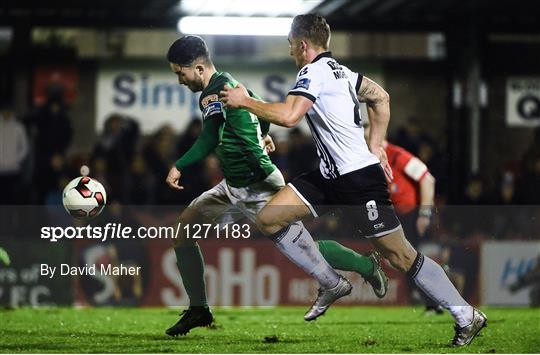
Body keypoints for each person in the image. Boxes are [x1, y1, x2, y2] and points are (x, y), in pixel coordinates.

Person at [220, 14, 487, 346]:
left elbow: (289, 116)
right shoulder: (344, 73)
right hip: (330, 177)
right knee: (269, 219)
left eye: (291, 46)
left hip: (358, 181)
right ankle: (331, 282)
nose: (291, 53)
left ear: (303, 45)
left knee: (400, 256)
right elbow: (381, 97)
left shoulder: (313, 71)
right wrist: (377, 144)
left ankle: (466, 314)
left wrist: (244, 101)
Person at [164, 35, 386, 336]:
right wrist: (264, 133)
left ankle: (366, 266)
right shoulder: (227, 86)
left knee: (305, 248)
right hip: (233, 186)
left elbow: (209, 138)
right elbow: (254, 102)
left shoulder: (216, 91)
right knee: (183, 233)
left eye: (181, 73)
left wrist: (179, 165)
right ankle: (199, 309)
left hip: (257, 184)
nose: (180, 80)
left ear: (199, 68)